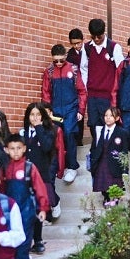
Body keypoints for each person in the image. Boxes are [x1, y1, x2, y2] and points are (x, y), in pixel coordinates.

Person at [0, 134, 49, 259]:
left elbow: (40, 188)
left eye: (18, 148)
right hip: (9, 212)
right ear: (6, 150)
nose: (15, 152)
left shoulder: (29, 167)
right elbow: (0, 190)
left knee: (23, 243)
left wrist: (43, 208)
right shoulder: (4, 168)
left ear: (24, 149)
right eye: (12, 149)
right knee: (9, 243)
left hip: (26, 211)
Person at [41, 44, 86, 184]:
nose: (59, 63)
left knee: (69, 134)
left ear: (65, 56)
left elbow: (82, 91)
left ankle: (72, 167)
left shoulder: (73, 70)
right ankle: (57, 167)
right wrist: (47, 111)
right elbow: (45, 93)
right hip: (55, 111)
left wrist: (80, 110)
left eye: (61, 60)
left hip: (71, 109)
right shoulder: (48, 72)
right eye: (56, 61)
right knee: (54, 138)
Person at [79, 18, 124, 145]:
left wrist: (116, 92)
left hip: (108, 95)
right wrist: (86, 90)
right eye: (93, 37)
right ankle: (98, 149)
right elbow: (84, 70)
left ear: (104, 33)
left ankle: (110, 151)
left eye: (99, 36)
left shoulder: (114, 47)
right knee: (94, 125)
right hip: (93, 95)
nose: (96, 39)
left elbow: (120, 71)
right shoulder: (87, 48)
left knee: (110, 124)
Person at [21, 102, 57, 253]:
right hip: (24, 175)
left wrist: (39, 128)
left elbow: (47, 147)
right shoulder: (23, 132)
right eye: (32, 115)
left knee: (38, 208)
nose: (34, 118)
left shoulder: (48, 131)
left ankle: (38, 239)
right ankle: (26, 240)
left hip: (41, 174)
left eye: (37, 115)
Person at [89, 106, 128, 201]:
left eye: (111, 116)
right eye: (106, 115)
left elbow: (124, 152)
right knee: (103, 183)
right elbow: (94, 146)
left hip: (115, 163)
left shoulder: (121, 132)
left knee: (115, 182)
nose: (108, 117)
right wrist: (93, 159)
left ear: (117, 118)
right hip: (101, 160)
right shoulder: (99, 130)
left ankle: (115, 199)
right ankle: (106, 197)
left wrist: (125, 170)